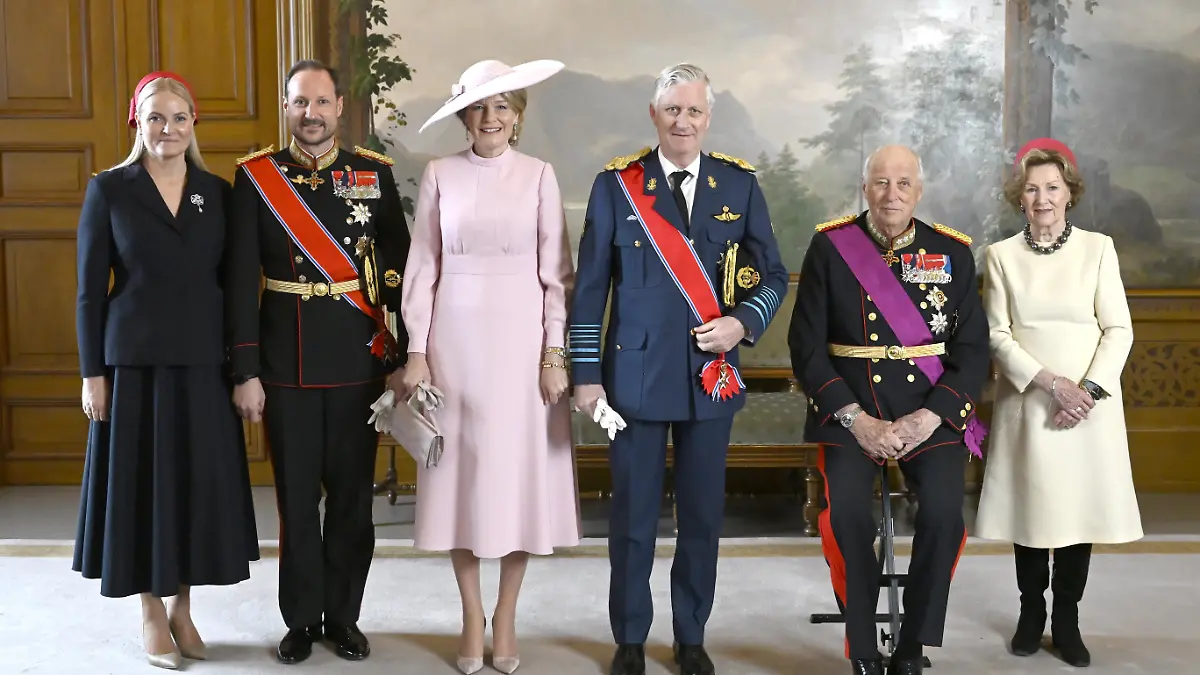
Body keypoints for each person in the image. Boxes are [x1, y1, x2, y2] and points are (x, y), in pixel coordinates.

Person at [568, 63, 789, 675]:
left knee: (701, 519)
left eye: (693, 111)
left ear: (708, 118)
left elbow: (772, 275)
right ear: (654, 115)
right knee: (632, 518)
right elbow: (590, 289)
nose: (683, 121)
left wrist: (742, 323)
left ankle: (691, 636)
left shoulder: (738, 185)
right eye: (672, 110)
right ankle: (630, 638)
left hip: (710, 379)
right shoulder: (616, 186)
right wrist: (585, 374)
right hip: (633, 380)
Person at [224, 59, 411, 664]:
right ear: (287, 107)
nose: (312, 114)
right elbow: (239, 282)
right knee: (296, 502)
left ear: (339, 108)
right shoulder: (257, 177)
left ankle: (345, 617)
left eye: (322, 102)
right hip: (286, 365)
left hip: (359, 361)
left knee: (353, 502)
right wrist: (246, 369)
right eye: (300, 102)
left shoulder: (373, 173)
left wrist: (401, 355)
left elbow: (398, 272)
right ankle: (302, 619)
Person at [72, 71, 259, 670]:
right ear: (138, 123)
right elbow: (88, 293)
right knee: (143, 490)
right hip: (133, 367)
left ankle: (183, 608)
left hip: (203, 365)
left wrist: (244, 369)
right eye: (156, 117)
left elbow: (236, 289)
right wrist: (92, 373)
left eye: (179, 118)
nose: (168, 129)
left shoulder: (218, 194)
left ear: (193, 123)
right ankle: (151, 610)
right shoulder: (110, 190)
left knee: (191, 489)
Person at [402, 58, 582, 675]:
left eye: (502, 105)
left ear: (518, 115)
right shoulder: (440, 173)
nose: (490, 117)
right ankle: (471, 613)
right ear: (463, 115)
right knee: (461, 479)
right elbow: (422, 270)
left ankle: (505, 614)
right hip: (453, 345)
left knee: (513, 478)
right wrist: (417, 349)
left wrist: (554, 354)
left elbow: (557, 276)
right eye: (478, 106)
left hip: (520, 345)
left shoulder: (539, 175)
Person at [787, 145, 991, 675]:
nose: (891, 194)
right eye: (881, 182)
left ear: (918, 191)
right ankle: (861, 644)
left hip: (929, 410)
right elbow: (806, 349)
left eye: (903, 183)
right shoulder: (830, 247)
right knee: (848, 518)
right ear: (865, 189)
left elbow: (972, 353)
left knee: (944, 515)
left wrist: (931, 416)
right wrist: (856, 420)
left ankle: (911, 645)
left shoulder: (951, 252)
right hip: (851, 412)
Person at [975, 138, 1142, 668]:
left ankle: (1067, 620)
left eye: (1052, 187)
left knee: (1074, 514)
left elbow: (1118, 329)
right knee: (1030, 511)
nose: (1042, 198)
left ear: (1070, 193)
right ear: (1019, 197)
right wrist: (1052, 385)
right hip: (1030, 401)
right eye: (1032, 189)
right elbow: (997, 335)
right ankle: (1031, 613)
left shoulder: (1098, 249)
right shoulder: (1001, 256)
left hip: (1087, 408)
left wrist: (1085, 392)